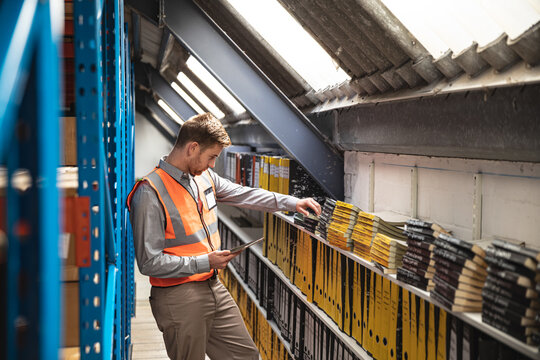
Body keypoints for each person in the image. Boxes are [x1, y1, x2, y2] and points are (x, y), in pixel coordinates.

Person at [127, 113, 321, 360]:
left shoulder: (204, 178)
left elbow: (244, 194)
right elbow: (148, 263)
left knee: (247, 356)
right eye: (211, 157)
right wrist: (205, 261)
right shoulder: (150, 192)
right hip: (177, 296)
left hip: (213, 285)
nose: (212, 165)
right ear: (193, 148)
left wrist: (292, 202)